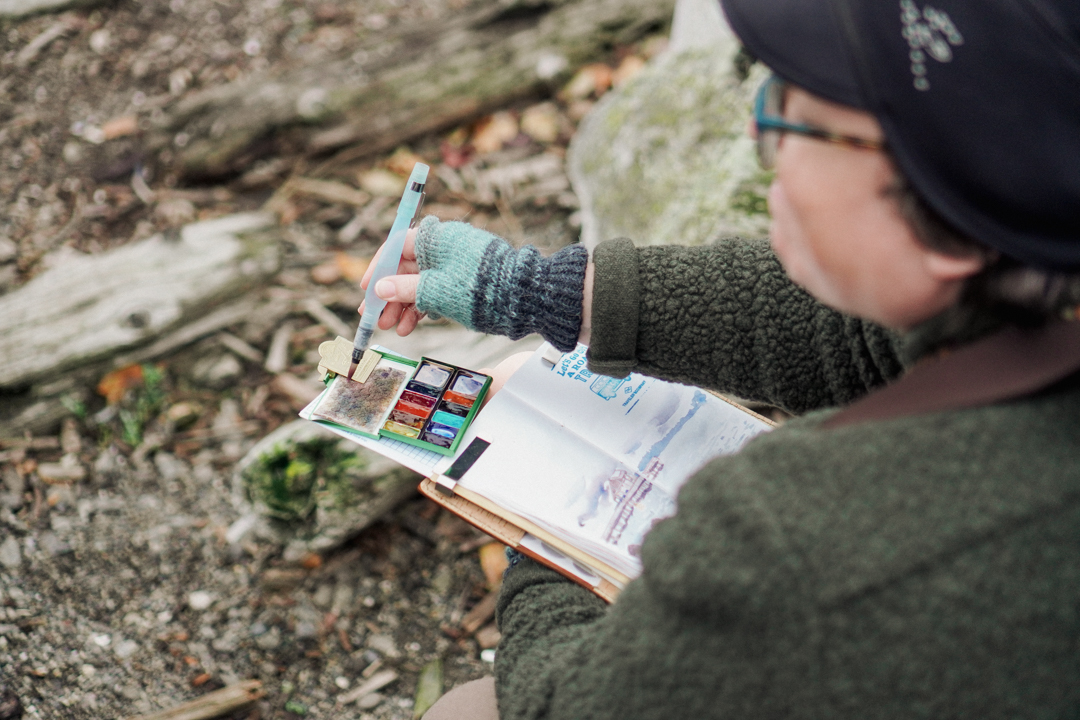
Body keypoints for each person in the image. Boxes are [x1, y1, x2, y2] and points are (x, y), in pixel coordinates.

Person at [362, 0, 1080, 716]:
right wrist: (535, 291)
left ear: (948, 228)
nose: (752, 129)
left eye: (789, 117)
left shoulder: (807, 541)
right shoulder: (1041, 245)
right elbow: (864, 337)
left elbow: (571, 703)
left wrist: (545, 544)